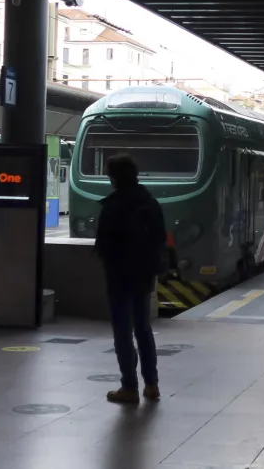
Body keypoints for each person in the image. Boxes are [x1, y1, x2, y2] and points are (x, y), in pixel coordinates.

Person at [96, 154, 166, 404]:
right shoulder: (150, 203)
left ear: (114, 178)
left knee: (123, 332)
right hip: (144, 276)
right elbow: (160, 239)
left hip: (119, 278)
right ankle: (152, 384)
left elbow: (102, 245)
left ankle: (129, 387)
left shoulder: (113, 206)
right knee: (143, 329)